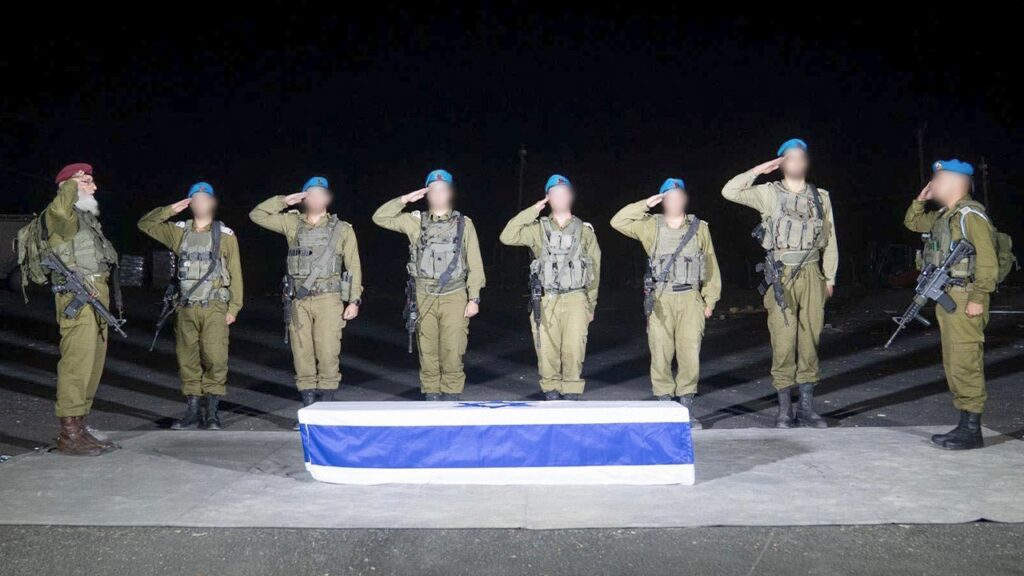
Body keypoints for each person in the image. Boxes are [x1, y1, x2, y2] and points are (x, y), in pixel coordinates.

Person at [721, 139, 837, 428]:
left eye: (801, 157)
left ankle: (806, 407)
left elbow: (831, 239)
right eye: (790, 158)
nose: (797, 162)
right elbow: (729, 191)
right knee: (784, 342)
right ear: (782, 163)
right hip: (782, 275)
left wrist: (830, 277)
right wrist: (758, 171)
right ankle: (785, 408)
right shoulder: (769, 194)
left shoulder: (820, 196)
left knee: (810, 341)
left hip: (812, 274)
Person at [250, 177, 363, 428]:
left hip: (329, 300)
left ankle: (326, 413)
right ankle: (309, 411)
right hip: (298, 301)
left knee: (328, 353)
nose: (316, 198)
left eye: (320, 194)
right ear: (303, 198)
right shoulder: (292, 223)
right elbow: (257, 215)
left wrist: (354, 300)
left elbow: (353, 265)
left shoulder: (342, 229)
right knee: (302, 355)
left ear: (327, 198)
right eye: (310, 194)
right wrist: (283, 201)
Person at [611, 178, 721, 427]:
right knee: (660, 352)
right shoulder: (651, 226)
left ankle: (686, 406)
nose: (675, 201)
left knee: (689, 354)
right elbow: (617, 221)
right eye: (669, 197)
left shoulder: (698, 227)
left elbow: (711, 263)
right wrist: (645, 204)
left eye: (678, 196)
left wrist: (710, 300)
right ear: (662, 200)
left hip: (691, 298)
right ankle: (664, 403)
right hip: (661, 298)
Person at [903, 159, 997, 450]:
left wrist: (978, 298)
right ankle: (965, 423)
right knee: (954, 360)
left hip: (965, 297)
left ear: (957, 183)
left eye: (939, 180)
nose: (933, 184)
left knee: (965, 360)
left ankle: (972, 430)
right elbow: (912, 223)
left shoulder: (971, 216)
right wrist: (920, 201)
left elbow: (988, 262)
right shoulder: (945, 215)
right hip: (949, 297)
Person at [372, 169, 485, 401]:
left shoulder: (464, 224)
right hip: (424, 294)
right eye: (433, 190)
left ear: (450, 193)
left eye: (443, 190)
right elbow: (379, 217)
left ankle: (452, 396)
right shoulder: (415, 221)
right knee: (428, 350)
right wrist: (404, 199)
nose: (438, 194)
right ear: (426, 194)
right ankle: (431, 396)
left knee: (453, 349)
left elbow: (475, 263)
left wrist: (474, 298)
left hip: (455, 295)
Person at [138, 182, 243, 431]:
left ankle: (212, 412)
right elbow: (145, 224)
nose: (200, 203)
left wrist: (234, 307)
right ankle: (193, 411)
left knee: (215, 358)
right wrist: (170, 210)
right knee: (187, 359)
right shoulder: (179, 232)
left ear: (212, 202)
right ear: (189, 203)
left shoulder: (225, 235)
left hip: (214, 306)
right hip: (185, 306)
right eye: (195, 199)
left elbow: (235, 272)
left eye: (205, 198)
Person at [500, 174, 601, 400]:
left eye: (564, 193)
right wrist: (533, 210)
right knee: (546, 349)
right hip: (546, 298)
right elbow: (507, 236)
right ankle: (551, 391)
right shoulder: (537, 229)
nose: (560, 197)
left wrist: (591, 305)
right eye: (555, 194)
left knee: (575, 348)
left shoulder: (584, 231)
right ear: (548, 198)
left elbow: (595, 269)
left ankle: (572, 391)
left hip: (576, 298)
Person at [45, 163, 121, 455]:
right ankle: (69, 433)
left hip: (96, 292)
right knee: (77, 362)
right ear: (70, 186)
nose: (94, 186)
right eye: (87, 181)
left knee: (94, 361)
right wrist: (71, 184)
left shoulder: (84, 219)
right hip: (76, 297)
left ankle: (80, 426)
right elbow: (59, 209)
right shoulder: (60, 215)